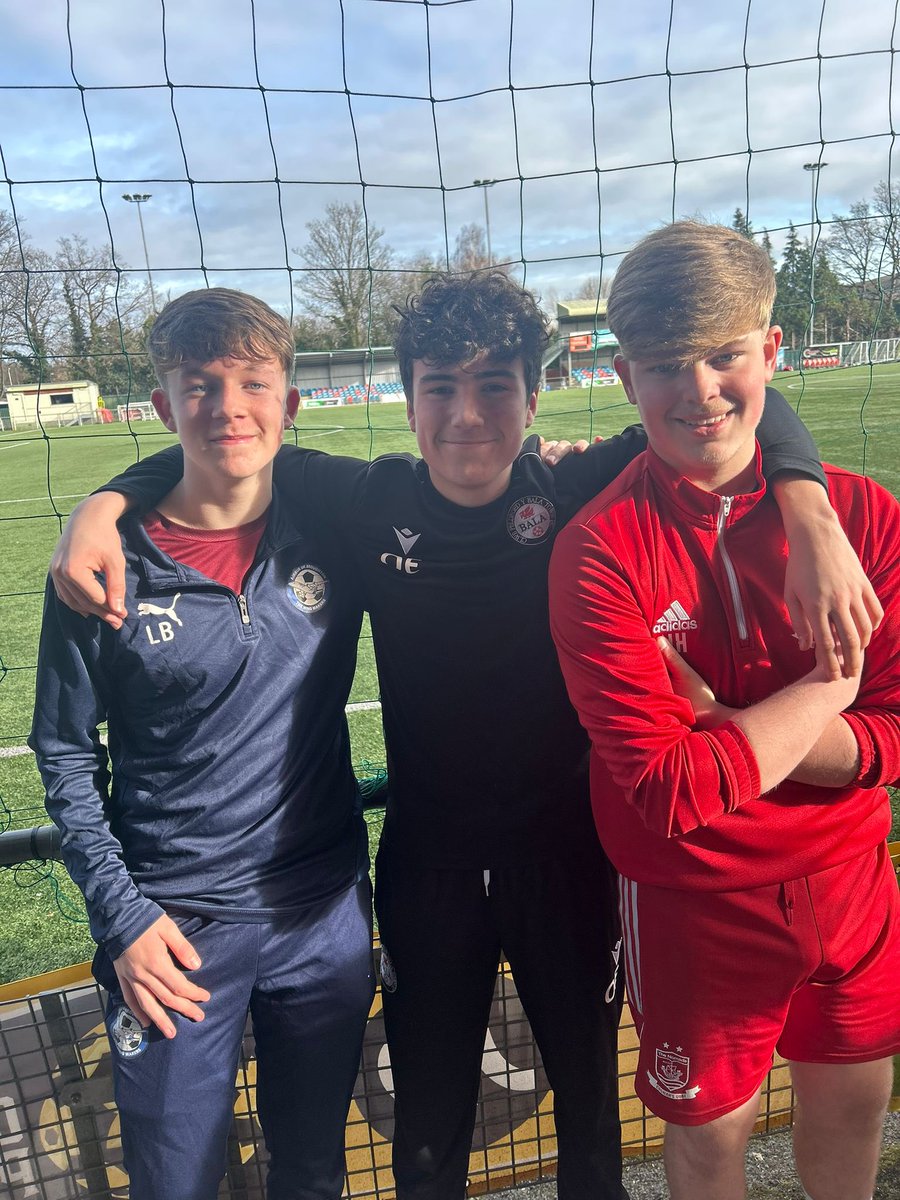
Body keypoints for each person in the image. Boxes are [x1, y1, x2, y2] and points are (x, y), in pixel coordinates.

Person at [49, 273, 877, 1200]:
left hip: (570, 864)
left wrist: (806, 502)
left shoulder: (574, 484)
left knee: (592, 1130)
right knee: (428, 1139)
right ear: (407, 400)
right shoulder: (363, 500)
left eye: (495, 387)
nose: (468, 416)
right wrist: (105, 505)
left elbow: (727, 397)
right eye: (441, 387)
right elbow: (220, 442)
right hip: (426, 871)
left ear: (535, 395)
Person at [548, 222, 900, 1200]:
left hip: (854, 884)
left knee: (855, 1110)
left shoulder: (864, 519)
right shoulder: (598, 552)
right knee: (711, 1144)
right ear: (624, 377)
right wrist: (834, 684)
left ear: (771, 353)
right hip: (694, 906)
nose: (700, 389)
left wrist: (730, 723)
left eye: (725, 355)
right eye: (666, 366)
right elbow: (667, 793)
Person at [29, 290, 375, 1200]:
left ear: (290, 402)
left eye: (254, 382)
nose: (228, 407)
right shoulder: (102, 568)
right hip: (171, 932)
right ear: (162, 405)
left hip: (321, 915)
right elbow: (63, 756)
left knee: (311, 1170)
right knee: (173, 1183)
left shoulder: (333, 528)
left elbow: (462, 496)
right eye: (200, 385)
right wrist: (125, 918)